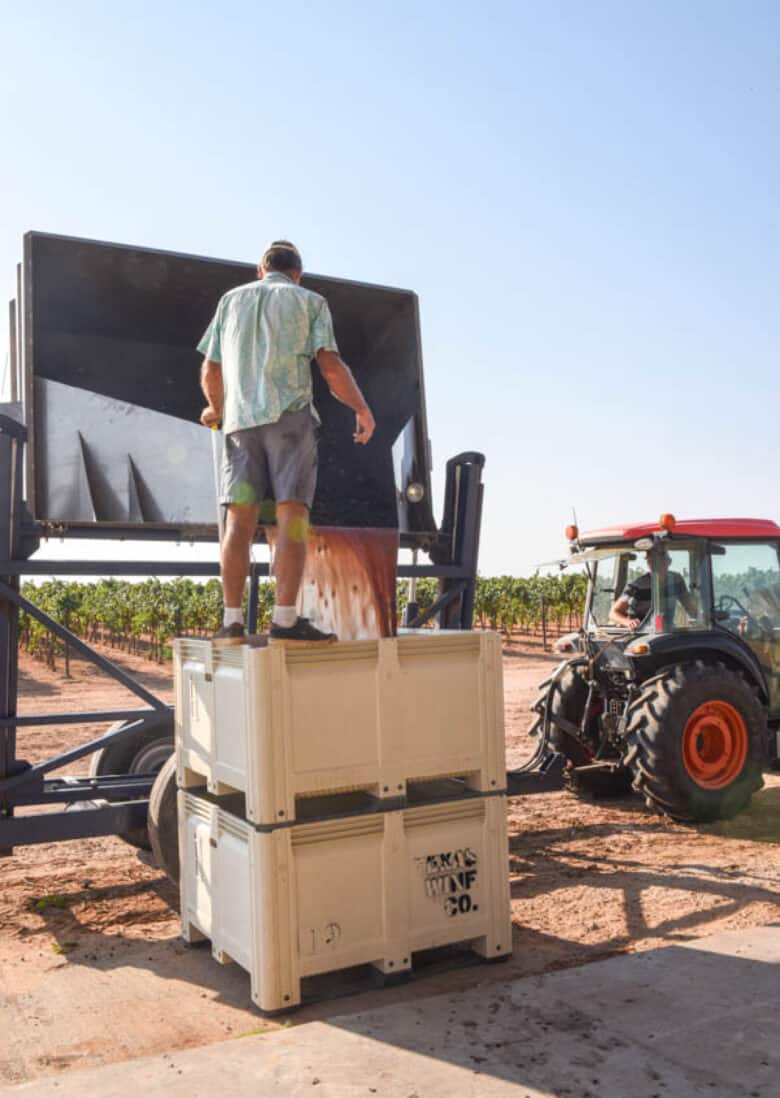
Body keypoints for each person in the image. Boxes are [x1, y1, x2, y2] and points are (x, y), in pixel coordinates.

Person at [198, 240, 376, 645]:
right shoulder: (310, 301)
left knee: (238, 522)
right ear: (298, 273)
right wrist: (361, 409)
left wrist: (216, 409)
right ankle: (284, 620)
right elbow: (329, 366)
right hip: (289, 427)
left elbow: (210, 366)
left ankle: (230, 621)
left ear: (261, 269)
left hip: (241, 429)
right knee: (291, 518)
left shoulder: (230, 300)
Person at [609, 548, 698, 631]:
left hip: (667, 633)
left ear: (668, 561)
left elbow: (690, 608)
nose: (651, 563)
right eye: (650, 560)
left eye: (656, 559)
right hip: (642, 633)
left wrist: (701, 618)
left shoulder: (676, 580)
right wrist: (628, 622)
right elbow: (613, 613)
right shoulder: (636, 586)